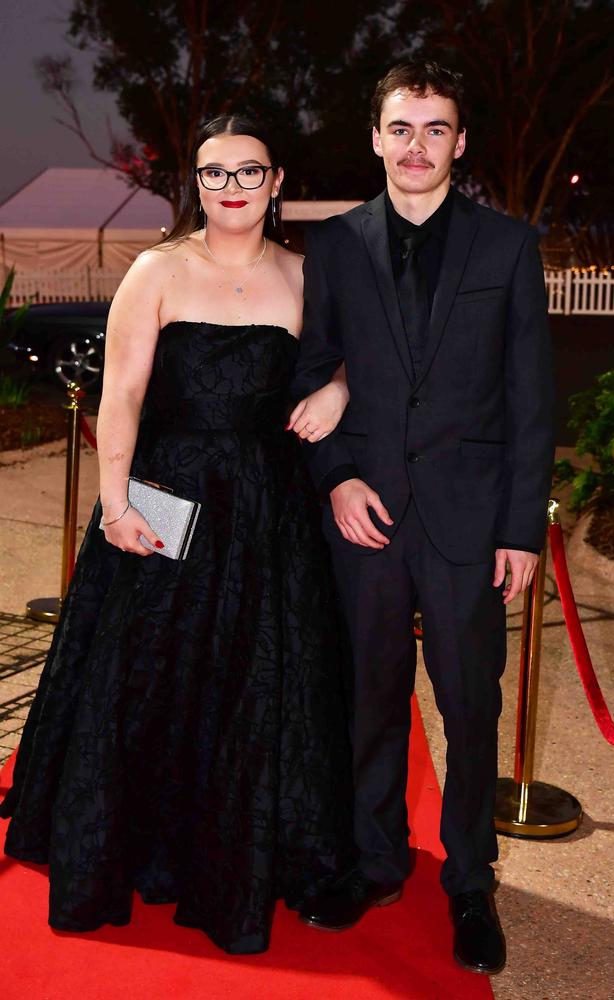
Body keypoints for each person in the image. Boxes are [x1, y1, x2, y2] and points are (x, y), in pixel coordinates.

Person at [0, 114, 355, 955]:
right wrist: (115, 505)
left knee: (252, 681)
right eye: (212, 173)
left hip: (267, 510)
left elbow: (344, 362)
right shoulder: (156, 270)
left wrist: (339, 388)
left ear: (277, 183)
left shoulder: (309, 278)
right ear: (193, 184)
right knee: (145, 671)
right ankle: (137, 849)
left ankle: (232, 853)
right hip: (162, 494)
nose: (230, 187)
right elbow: (119, 395)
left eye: (247, 172)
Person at [291, 61, 554, 975]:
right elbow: (310, 368)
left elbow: (530, 396)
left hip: (471, 522)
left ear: (460, 142)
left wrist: (522, 527)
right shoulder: (333, 246)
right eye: (401, 128)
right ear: (374, 137)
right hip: (365, 513)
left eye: (435, 128)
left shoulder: (509, 247)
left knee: (471, 704)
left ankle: (471, 882)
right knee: (367, 697)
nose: (416, 146)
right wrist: (334, 478)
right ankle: (376, 859)